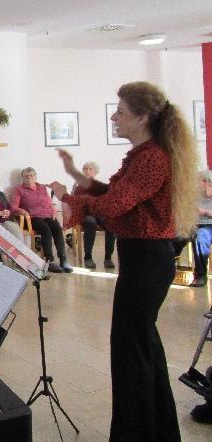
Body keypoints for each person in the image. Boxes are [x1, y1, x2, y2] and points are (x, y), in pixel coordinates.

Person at [51, 81, 198, 442]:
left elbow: (114, 206)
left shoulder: (152, 158)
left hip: (148, 259)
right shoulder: (143, 154)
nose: (114, 118)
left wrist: (70, 197)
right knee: (141, 344)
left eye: (120, 111)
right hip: (142, 258)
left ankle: (139, 433)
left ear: (143, 117)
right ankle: (154, 430)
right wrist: (77, 179)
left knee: (132, 348)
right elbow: (118, 195)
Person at [11, 167, 73, 273]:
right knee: (46, 230)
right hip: (32, 218)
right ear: (22, 178)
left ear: (35, 176)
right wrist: (23, 211)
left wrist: (53, 211)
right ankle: (50, 262)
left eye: (31, 175)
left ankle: (63, 261)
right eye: (26, 176)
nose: (29, 177)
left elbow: (49, 202)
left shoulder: (42, 187)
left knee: (57, 229)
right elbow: (13, 207)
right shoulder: (19, 189)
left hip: (48, 215)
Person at [72, 162, 116, 269]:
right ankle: (88, 257)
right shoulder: (78, 184)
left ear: (95, 172)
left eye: (90, 169)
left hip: (97, 212)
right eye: (85, 169)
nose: (87, 171)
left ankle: (108, 258)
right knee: (91, 223)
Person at [189, 170, 212, 287]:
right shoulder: (194, 194)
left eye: (201, 181)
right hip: (195, 224)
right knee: (176, 236)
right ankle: (166, 269)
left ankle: (201, 275)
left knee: (200, 237)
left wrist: (206, 212)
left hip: (209, 225)